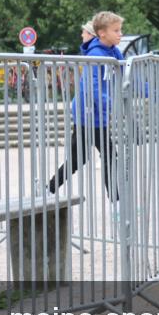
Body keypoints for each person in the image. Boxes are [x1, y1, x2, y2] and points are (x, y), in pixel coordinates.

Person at [48, 11, 125, 197]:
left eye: (120, 30)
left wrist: (151, 91)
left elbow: (127, 73)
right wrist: (111, 105)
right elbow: (93, 88)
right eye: (116, 30)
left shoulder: (113, 51)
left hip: (97, 114)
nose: (120, 34)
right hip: (89, 114)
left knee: (83, 158)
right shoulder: (96, 55)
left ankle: (48, 189)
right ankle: (116, 201)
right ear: (102, 33)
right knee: (103, 157)